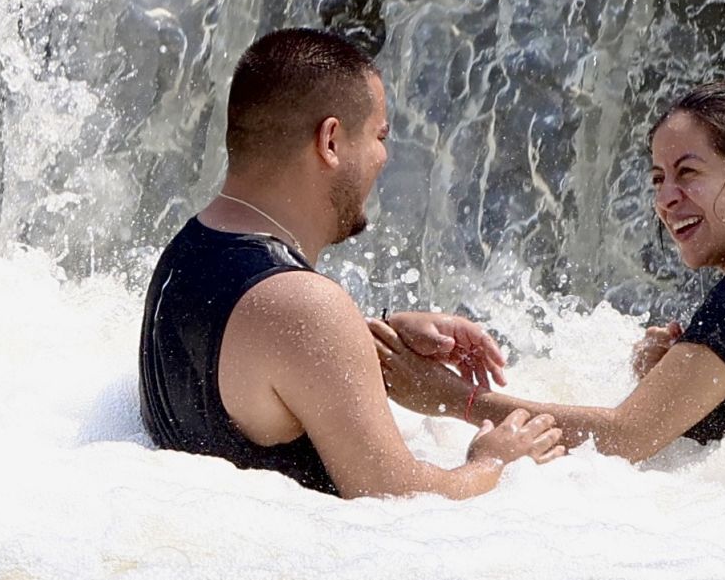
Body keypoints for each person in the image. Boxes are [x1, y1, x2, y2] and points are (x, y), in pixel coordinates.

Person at [138, 27, 565, 496]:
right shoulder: (306, 308)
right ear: (331, 141)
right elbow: (400, 499)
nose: (384, 157)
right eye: (379, 135)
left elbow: (254, 359)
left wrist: (372, 335)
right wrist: (494, 462)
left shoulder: (185, 252)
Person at [375, 80, 725, 461]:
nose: (666, 199)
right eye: (658, 178)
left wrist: (453, 399)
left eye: (688, 173)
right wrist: (679, 376)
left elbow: (627, 437)